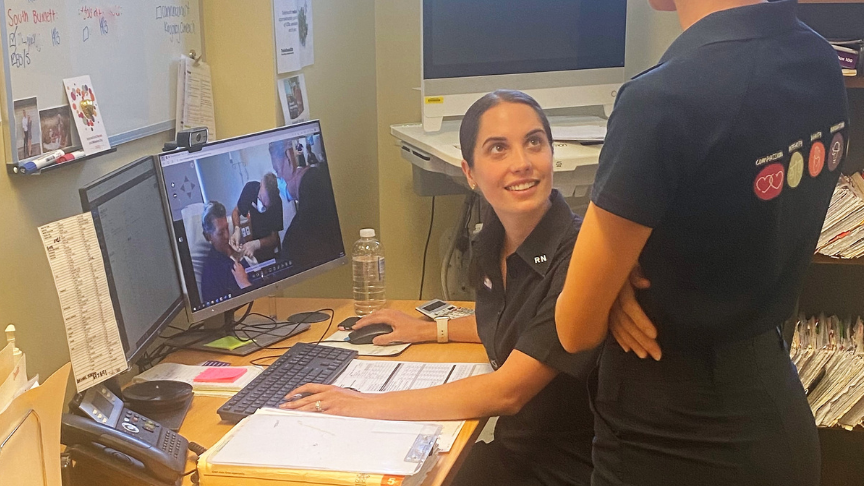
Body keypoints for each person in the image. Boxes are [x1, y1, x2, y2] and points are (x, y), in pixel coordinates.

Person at [554, 1, 849, 485]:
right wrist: (627, 255)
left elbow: (574, 327)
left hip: (673, 440)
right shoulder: (817, 57)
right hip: (776, 413)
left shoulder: (664, 97)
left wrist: (614, 270)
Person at [282, 90, 608, 486]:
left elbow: (509, 392)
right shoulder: (494, 241)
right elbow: (514, 320)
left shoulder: (578, 255)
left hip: (565, 471)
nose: (521, 163)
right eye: (498, 149)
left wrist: (363, 403)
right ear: (470, 172)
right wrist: (428, 329)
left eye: (534, 142)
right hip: (516, 455)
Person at [200, 201, 252, 303]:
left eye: (227, 228)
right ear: (208, 237)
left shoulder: (236, 251)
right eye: (220, 233)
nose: (227, 236)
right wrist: (244, 284)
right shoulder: (211, 274)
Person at [230, 173, 284, 262]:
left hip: (268, 247)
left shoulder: (277, 202)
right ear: (260, 186)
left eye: (267, 206)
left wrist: (256, 244)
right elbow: (236, 212)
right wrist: (237, 230)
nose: (263, 207)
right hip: (251, 238)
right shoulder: (250, 189)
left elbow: (274, 238)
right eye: (262, 199)